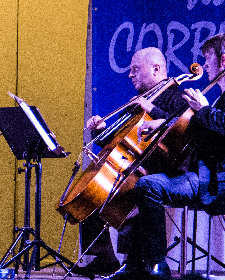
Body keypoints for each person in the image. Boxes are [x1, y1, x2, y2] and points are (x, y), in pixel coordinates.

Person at [103, 32, 225, 280]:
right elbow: (192, 126)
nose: (205, 65)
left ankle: (157, 266)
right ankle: (140, 264)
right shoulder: (223, 96)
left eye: (208, 59)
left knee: (148, 185)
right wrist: (163, 121)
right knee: (139, 183)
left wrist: (202, 108)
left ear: (224, 61)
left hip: (216, 180)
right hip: (200, 173)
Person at [73, 47, 188, 278]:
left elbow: (182, 127)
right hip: (137, 165)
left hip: (164, 170)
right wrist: (103, 131)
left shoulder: (178, 97)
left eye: (135, 69)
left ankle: (134, 262)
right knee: (93, 189)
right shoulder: (138, 101)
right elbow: (121, 142)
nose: (130, 75)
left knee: (128, 188)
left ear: (156, 69)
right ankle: (105, 257)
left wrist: (152, 109)